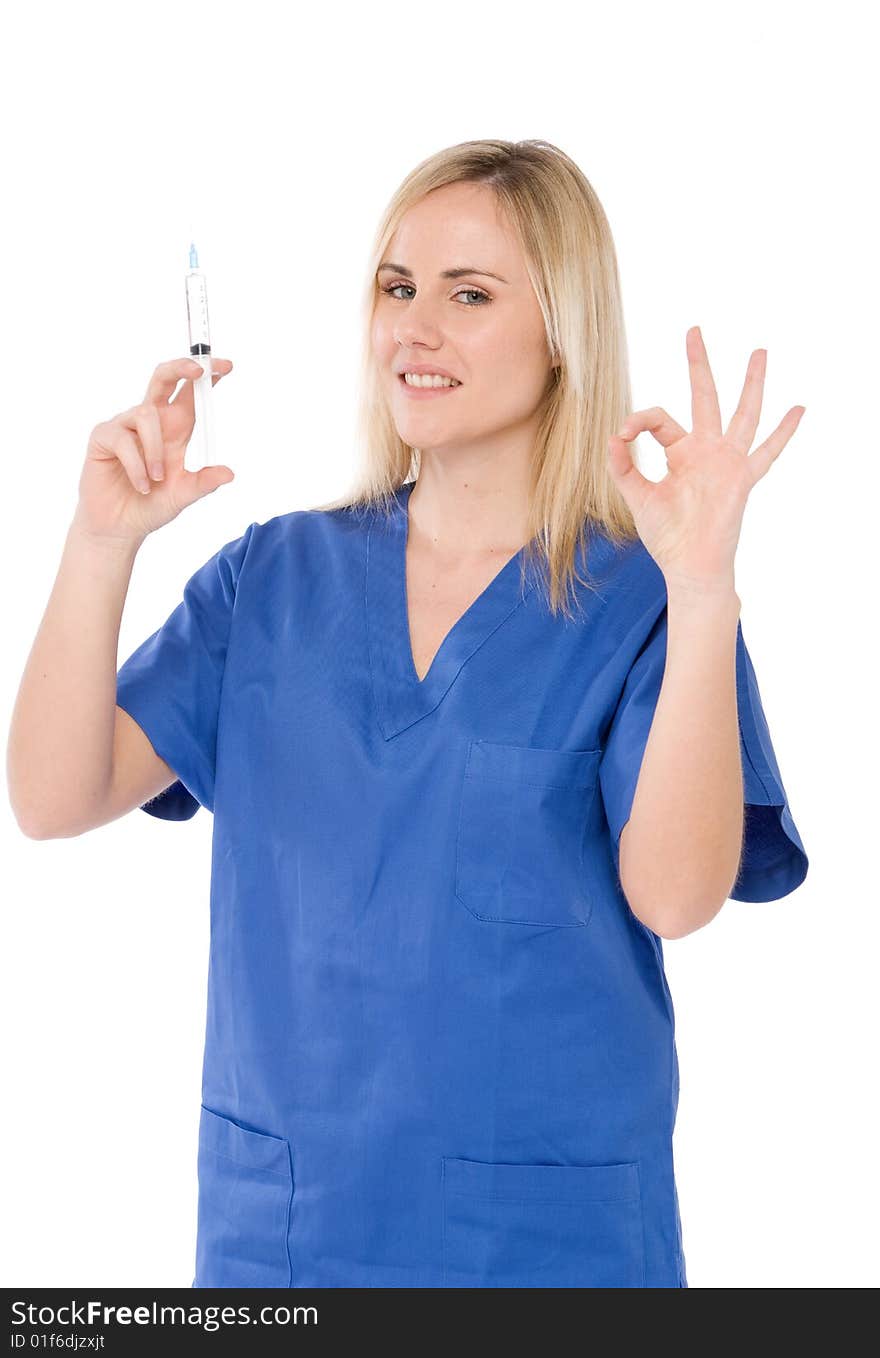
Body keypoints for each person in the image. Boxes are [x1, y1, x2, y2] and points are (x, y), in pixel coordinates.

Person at [8, 139, 809, 1289]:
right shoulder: (270, 580)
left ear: (563, 337)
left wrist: (702, 583)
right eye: (396, 287)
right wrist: (101, 543)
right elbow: (50, 795)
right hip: (288, 1243)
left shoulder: (643, 598)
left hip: (550, 1249)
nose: (411, 327)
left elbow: (676, 898)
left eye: (468, 294)